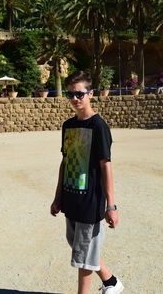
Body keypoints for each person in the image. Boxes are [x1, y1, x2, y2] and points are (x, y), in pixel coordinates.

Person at [50, 71, 124, 294]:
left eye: (80, 94)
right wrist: (58, 197)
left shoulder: (98, 126)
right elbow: (65, 162)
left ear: (90, 94)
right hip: (71, 197)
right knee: (82, 248)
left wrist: (111, 206)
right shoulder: (68, 125)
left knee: (83, 259)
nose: (75, 99)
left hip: (90, 201)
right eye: (71, 94)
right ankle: (111, 282)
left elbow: (105, 166)